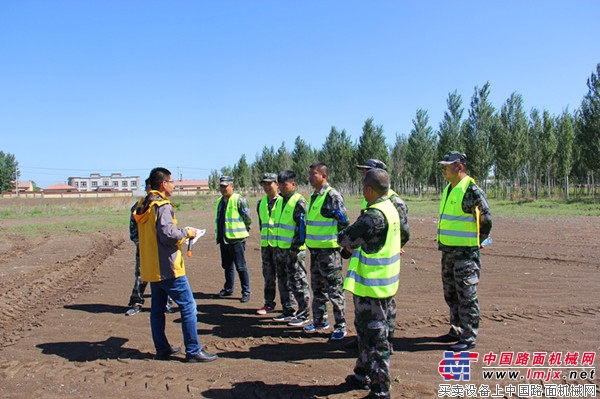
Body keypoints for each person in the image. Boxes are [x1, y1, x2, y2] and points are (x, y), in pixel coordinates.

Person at [133, 167, 217, 362]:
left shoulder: (142, 205)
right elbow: (168, 235)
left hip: (152, 267)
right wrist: (187, 232)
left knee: (157, 309)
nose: (173, 185)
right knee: (188, 306)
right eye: (171, 182)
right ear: (163, 184)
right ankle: (193, 350)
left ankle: (162, 348)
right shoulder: (162, 206)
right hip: (169, 268)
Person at [339, 168, 400, 399]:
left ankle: (381, 389)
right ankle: (361, 373)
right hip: (386, 285)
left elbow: (346, 238)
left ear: (368, 189)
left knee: (375, 339)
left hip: (372, 287)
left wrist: (346, 240)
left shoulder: (373, 216)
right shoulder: (391, 209)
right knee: (367, 334)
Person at [437, 151, 492, 351]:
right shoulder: (449, 189)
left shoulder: (471, 189)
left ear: (459, 167)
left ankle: (469, 337)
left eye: (448, 165)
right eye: (443, 165)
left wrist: (481, 239)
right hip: (449, 252)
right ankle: (457, 329)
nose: (444, 168)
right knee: (451, 294)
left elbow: (486, 217)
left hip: (466, 255)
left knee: (467, 295)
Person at [353, 159, 410, 350]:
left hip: (384, 263)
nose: (363, 175)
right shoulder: (370, 198)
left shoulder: (394, 201)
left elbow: (403, 231)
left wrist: (395, 245)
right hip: (370, 261)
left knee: (386, 305)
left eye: (367, 171)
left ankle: (386, 340)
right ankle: (368, 339)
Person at [304, 162, 349, 340]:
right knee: (318, 288)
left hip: (329, 252)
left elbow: (343, 222)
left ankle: (341, 325)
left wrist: (343, 245)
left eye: (314, 174)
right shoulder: (314, 196)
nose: (310, 177)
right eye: (310, 174)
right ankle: (320, 320)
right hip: (315, 251)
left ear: (324, 176)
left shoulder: (332, 196)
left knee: (334, 290)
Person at [271, 170, 311, 327]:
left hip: (294, 250)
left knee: (298, 281)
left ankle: (303, 313)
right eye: (279, 184)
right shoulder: (280, 200)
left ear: (293, 184)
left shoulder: (299, 201)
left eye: (284, 184)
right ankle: (288, 310)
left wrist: (295, 248)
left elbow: (302, 228)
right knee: (283, 280)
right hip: (280, 248)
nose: (281, 187)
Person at [256, 173, 290, 315]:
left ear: (277, 184)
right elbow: (261, 224)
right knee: (268, 276)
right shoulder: (261, 203)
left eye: (269, 183)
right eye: (264, 184)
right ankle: (269, 304)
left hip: (280, 246)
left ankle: (288, 306)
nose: (266, 186)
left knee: (284, 277)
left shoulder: (284, 201)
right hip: (266, 246)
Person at [214, 175, 252, 303]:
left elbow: (248, 218)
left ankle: (246, 291)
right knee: (227, 266)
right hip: (224, 239)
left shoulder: (239, 200)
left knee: (241, 267)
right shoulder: (220, 201)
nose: (223, 189)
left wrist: (244, 231)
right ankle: (228, 288)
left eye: (226, 186)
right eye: (221, 186)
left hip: (236, 239)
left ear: (232, 186)